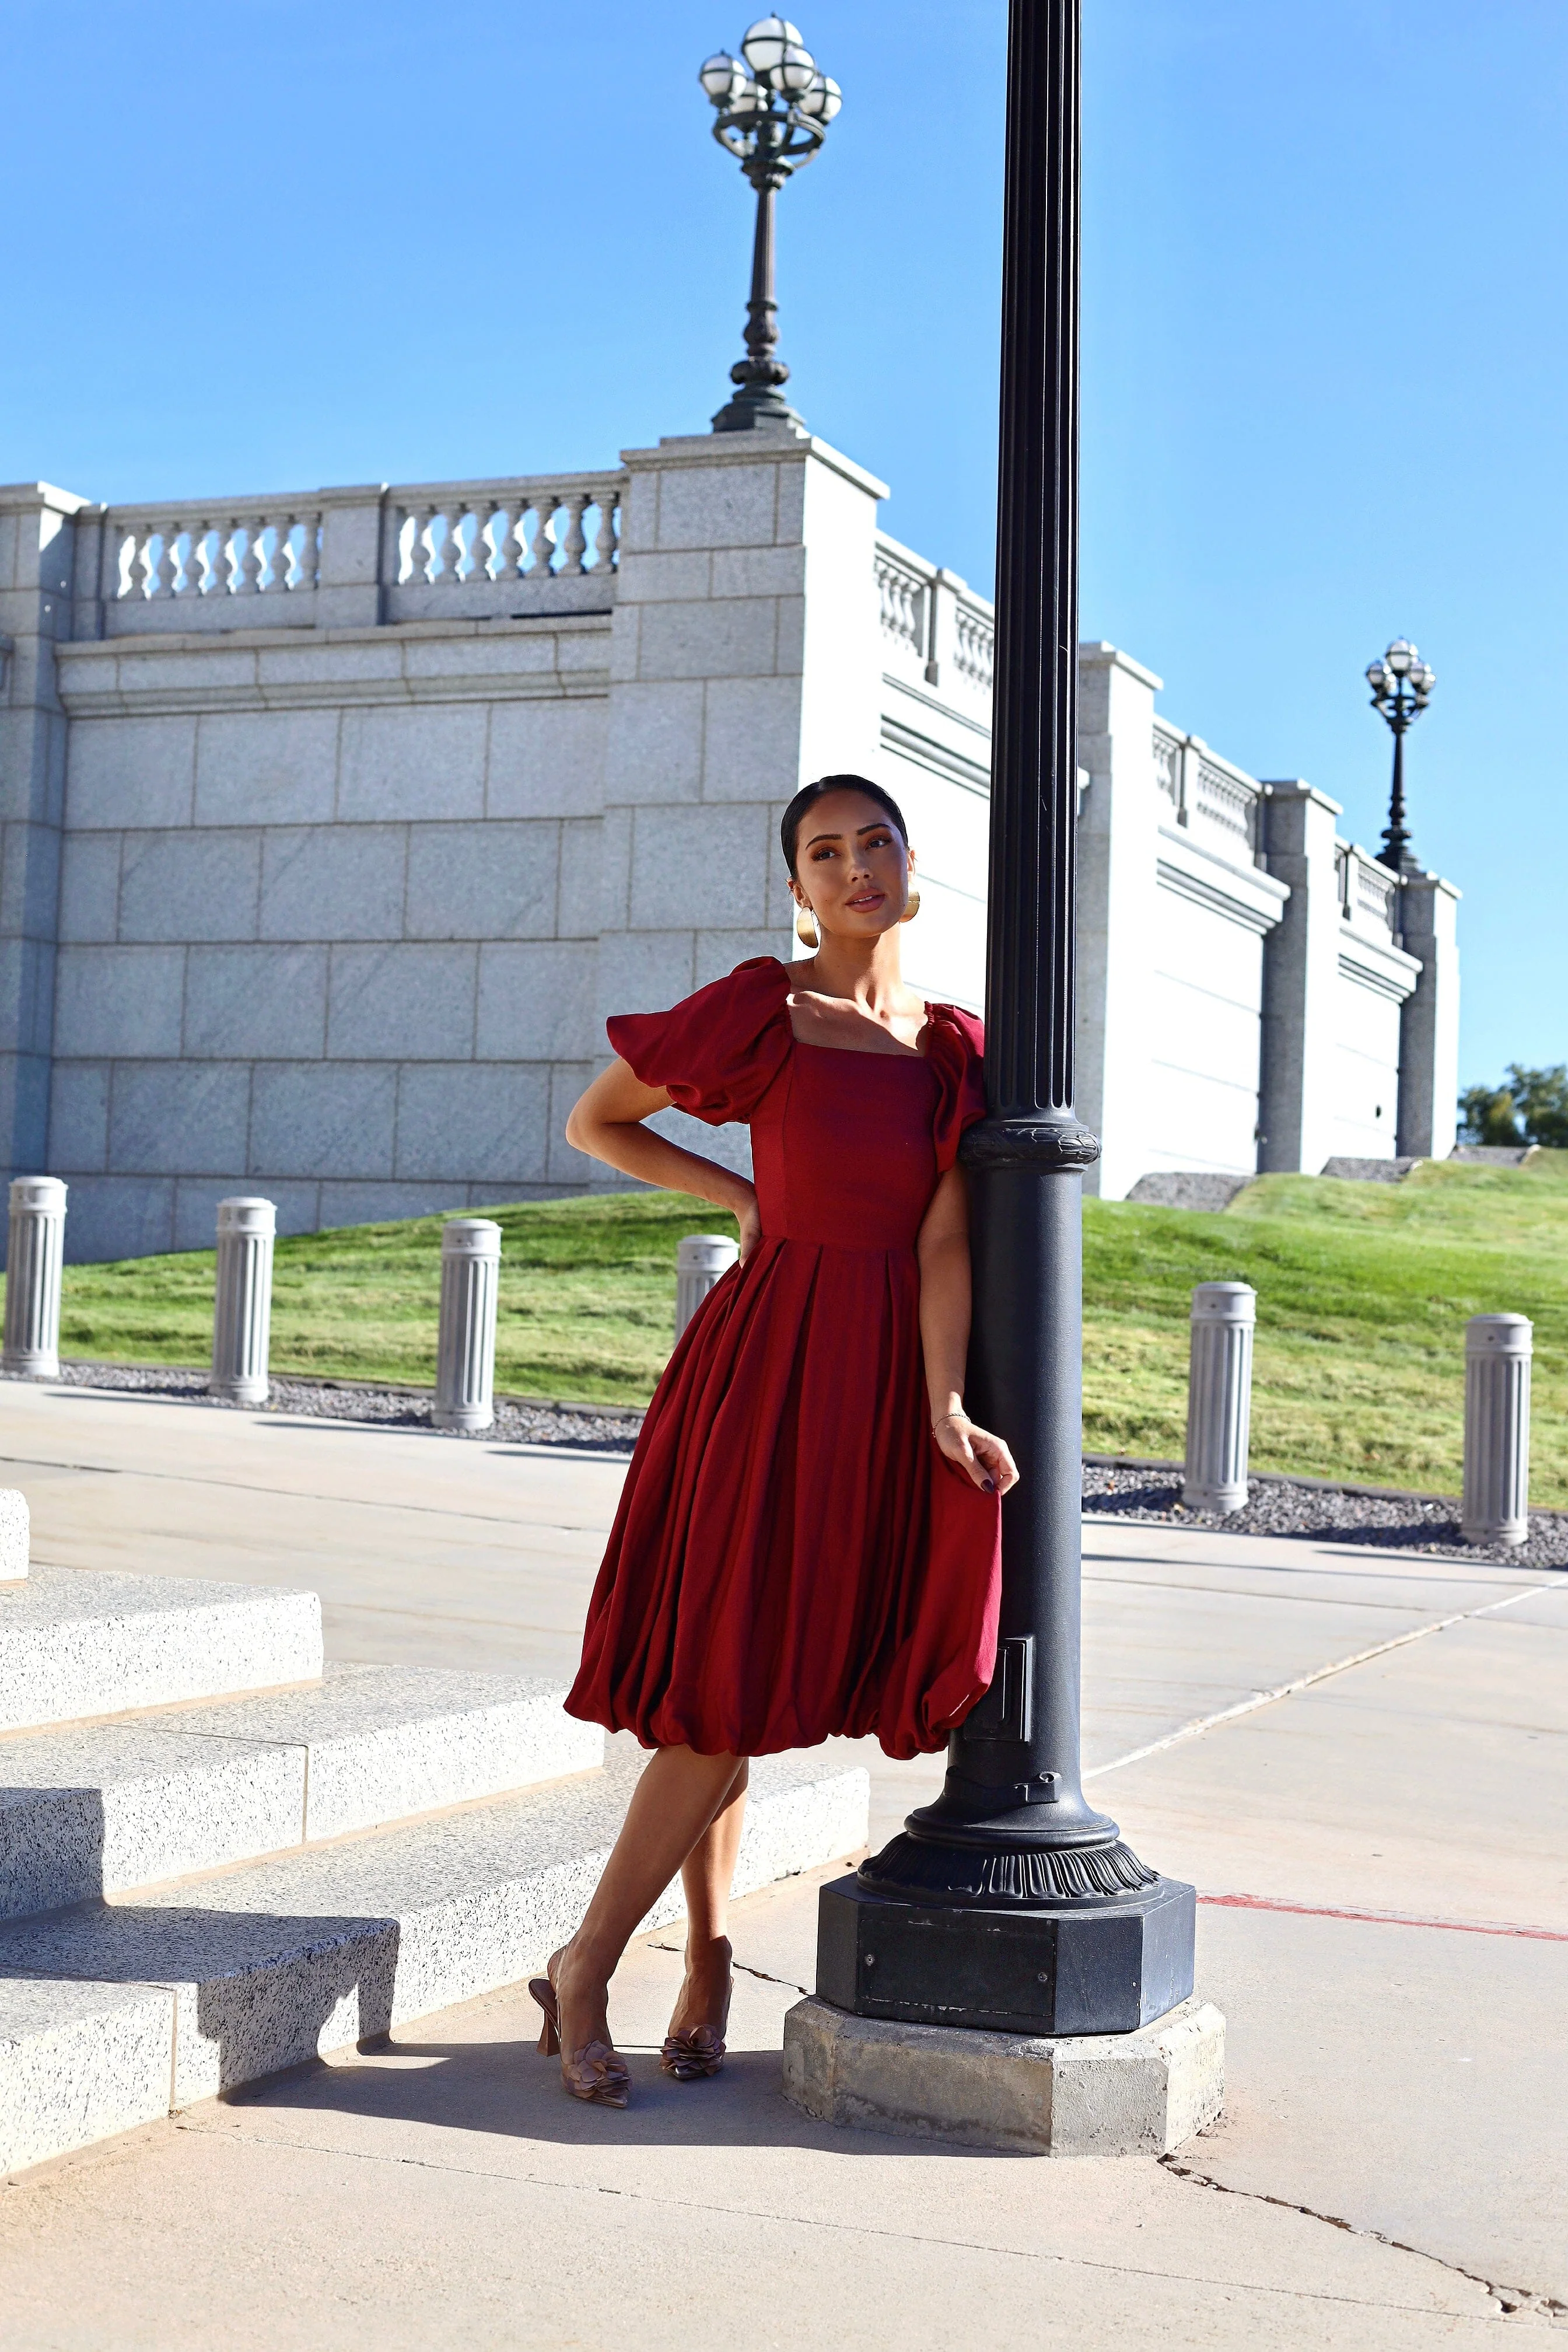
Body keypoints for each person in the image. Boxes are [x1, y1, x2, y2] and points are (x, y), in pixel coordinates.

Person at [529, 774, 1017, 2107]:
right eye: (825, 851)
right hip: (766, 1361)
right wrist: (739, 1187)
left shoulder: (955, 1049)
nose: (855, 867)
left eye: (875, 843)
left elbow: (943, 1236)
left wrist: (940, 1401)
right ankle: (587, 1962)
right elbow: (600, 1119)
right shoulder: (763, 1006)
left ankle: (706, 1958)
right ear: (797, 886)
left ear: (911, 862)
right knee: (721, 1683)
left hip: (872, 1380)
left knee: (751, 1681)